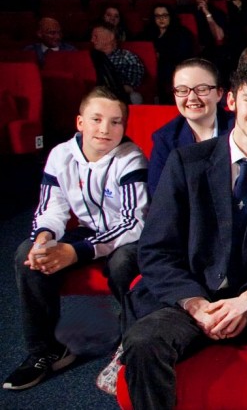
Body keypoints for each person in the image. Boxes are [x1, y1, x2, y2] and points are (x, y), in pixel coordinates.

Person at [122, 59, 247, 410]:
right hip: (193, 299)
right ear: (231, 101)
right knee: (142, 341)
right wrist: (196, 305)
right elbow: (155, 250)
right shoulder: (186, 163)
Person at [4, 87, 148, 392]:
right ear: (80, 122)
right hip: (87, 230)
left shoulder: (130, 157)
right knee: (26, 254)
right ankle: (46, 351)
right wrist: (44, 238)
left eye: (115, 122)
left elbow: (133, 222)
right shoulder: (61, 154)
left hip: (125, 236)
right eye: (96, 119)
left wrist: (76, 252)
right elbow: (51, 208)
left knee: (124, 262)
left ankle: (129, 343)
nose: (105, 129)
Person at [148, 58, 234, 195]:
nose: (192, 97)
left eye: (202, 89)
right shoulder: (165, 139)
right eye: (182, 90)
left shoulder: (238, 129)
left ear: (219, 93)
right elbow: (159, 196)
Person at [141, 4, 196, 105]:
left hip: (174, 71)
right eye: (157, 16)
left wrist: (160, 56)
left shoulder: (182, 33)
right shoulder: (148, 33)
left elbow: (183, 56)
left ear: (171, 16)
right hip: (150, 71)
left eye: (165, 16)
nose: (161, 19)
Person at [91, 24, 146, 104]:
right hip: (93, 97)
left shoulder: (127, 58)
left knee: (135, 97)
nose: (92, 40)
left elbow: (131, 87)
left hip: (117, 98)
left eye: (95, 37)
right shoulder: (91, 58)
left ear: (111, 37)